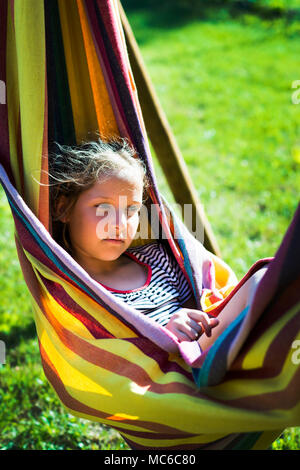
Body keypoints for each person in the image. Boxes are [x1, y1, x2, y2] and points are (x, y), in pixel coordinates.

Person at [48, 137, 266, 349]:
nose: (119, 223)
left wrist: (188, 320)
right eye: (102, 207)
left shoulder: (157, 258)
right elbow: (111, 361)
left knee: (264, 275)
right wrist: (166, 337)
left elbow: (201, 307)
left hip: (211, 347)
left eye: (131, 209)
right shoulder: (75, 292)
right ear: (63, 208)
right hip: (170, 376)